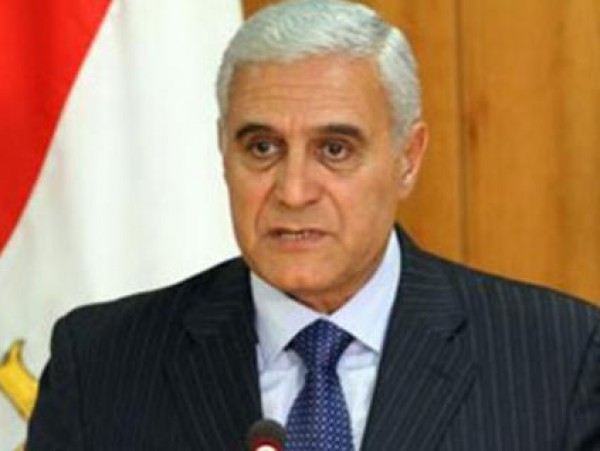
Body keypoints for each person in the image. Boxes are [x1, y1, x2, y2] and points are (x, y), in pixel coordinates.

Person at [27, 0, 600, 450]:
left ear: (408, 158)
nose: (294, 191)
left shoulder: (558, 358)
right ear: (223, 152)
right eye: (262, 147)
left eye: (334, 149)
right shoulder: (100, 365)